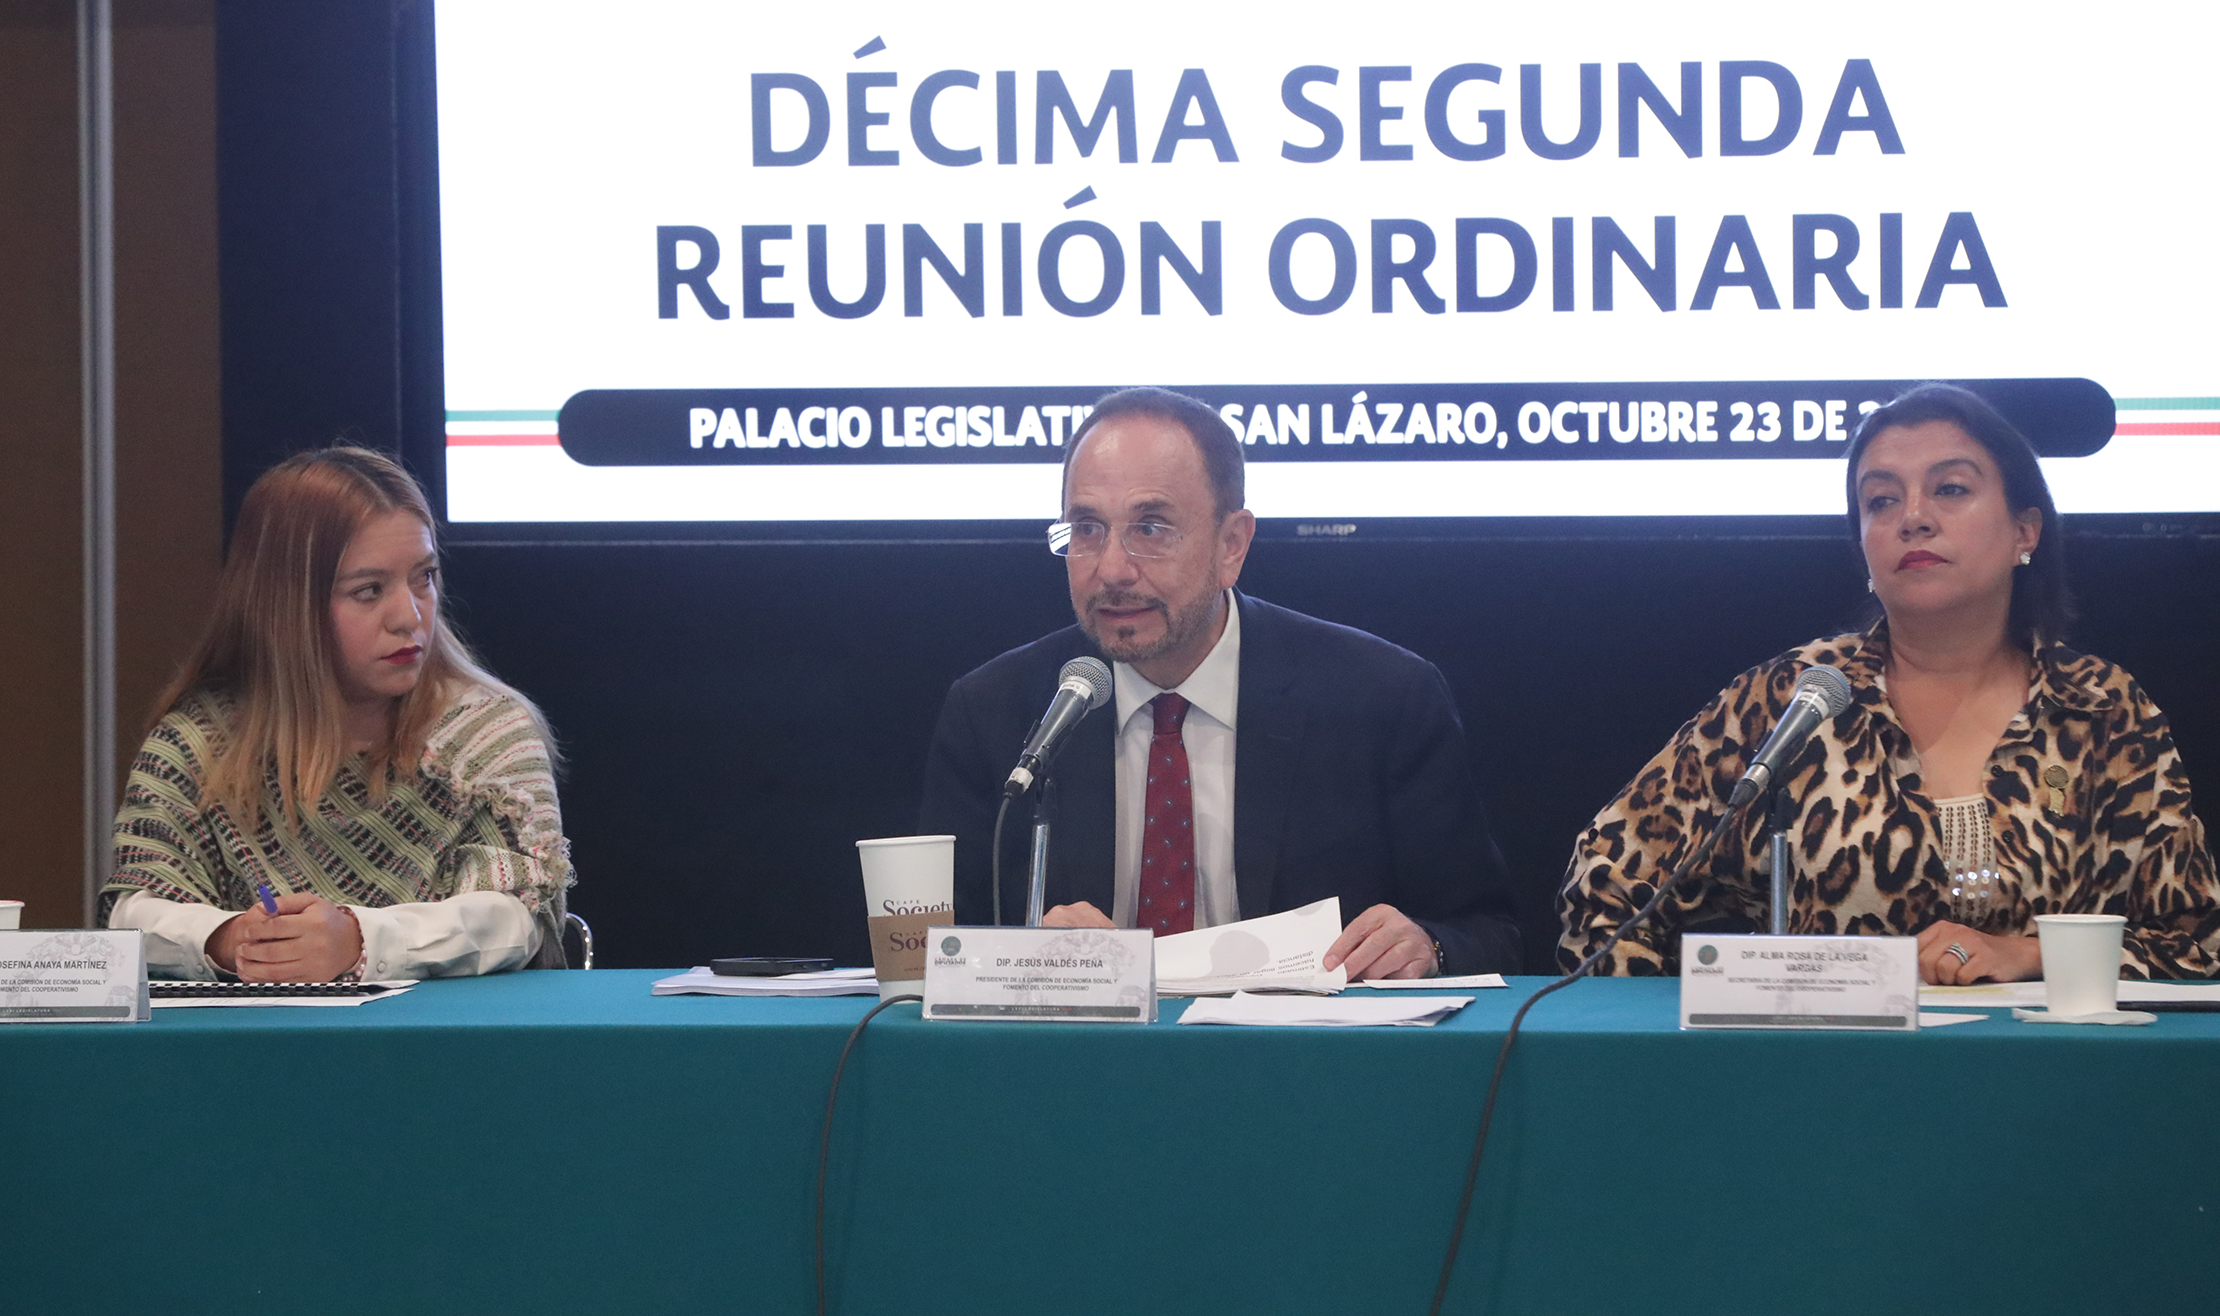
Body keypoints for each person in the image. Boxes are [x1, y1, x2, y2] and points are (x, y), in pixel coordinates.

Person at [1557, 383, 2220, 981]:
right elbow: (1605, 885)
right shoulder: (1796, 698)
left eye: (1950, 489)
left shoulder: (2101, 708)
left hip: (2050, 1072)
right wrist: (1687, 1046)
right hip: (1829, 1071)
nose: (1913, 517)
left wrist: (2030, 954)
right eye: (1881, 500)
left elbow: (2197, 947)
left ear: (2025, 529)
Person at [919, 387, 1519, 978]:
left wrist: (1427, 948)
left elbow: (1491, 935)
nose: (1112, 569)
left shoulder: (1382, 698)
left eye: (1150, 529)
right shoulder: (995, 712)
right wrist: (1020, 958)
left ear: (1232, 545)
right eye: (1087, 529)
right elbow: (935, 954)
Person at [101, 446, 573, 981]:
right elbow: (132, 913)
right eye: (369, 591)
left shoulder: (485, 732)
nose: (409, 616)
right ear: (286, 606)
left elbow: (516, 916)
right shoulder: (197, 745)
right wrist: (229, 939)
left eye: (424, 576)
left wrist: (359, 940)